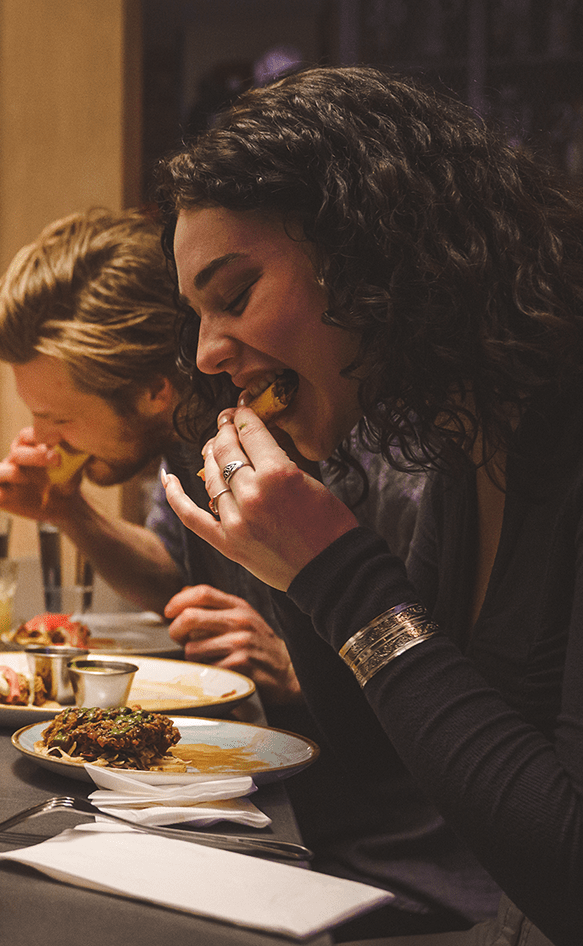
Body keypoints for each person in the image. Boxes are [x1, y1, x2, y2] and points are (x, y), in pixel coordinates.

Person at [0, 206, 498, 938]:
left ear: (154, 390)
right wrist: (71, 511)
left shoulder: (367, 448)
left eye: (54, 416)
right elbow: (174, 579)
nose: (37, 438)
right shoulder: (197, 440)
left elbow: (462, 705)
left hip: (401, 865)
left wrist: (298, 662)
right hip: (297, 819)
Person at [155, 65, 583, 945]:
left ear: (372, 248)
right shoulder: (475, 430)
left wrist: (340, 573)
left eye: (234, 296)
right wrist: (299, 576)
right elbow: (400, 764)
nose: (203, 354)